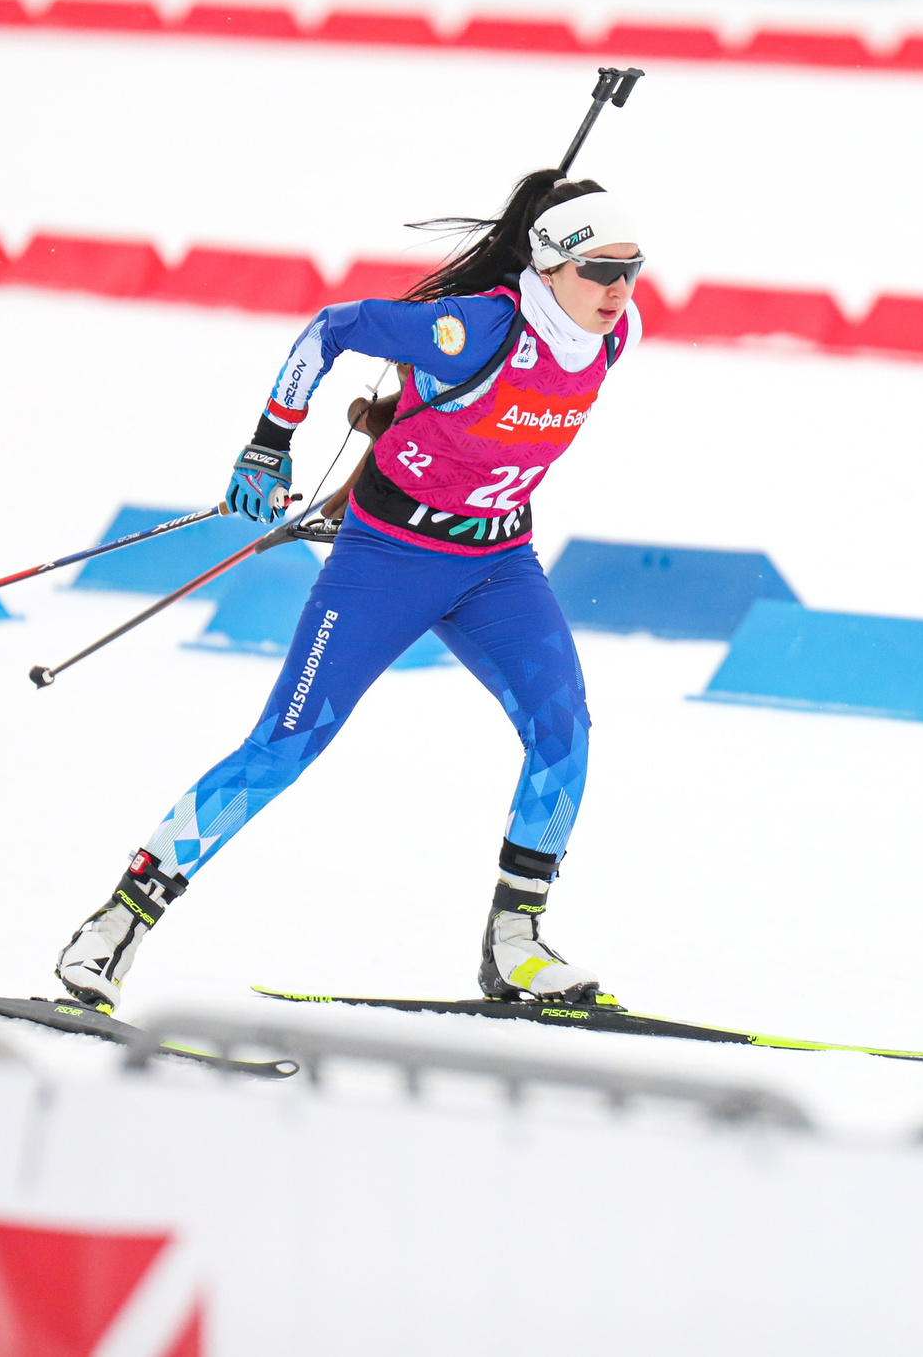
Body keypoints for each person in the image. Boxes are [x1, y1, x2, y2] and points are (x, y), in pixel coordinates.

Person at [52, 168, 645, 1012]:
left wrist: (416, 423)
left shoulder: (612, 336)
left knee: (565, 732)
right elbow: (331, 331)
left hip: (498, 563)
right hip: (389, 561)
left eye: (633, 269)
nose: (619, 289)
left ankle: (515, 942)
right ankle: (115, 924)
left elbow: (477, 424)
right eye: (600, 271)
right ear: (549, 265)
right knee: (285, 745)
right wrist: (268, 445)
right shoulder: (474, 327)